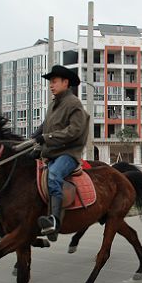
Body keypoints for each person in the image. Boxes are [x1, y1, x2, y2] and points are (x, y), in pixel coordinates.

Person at [32, 65, 89, 241]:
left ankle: (54, 221)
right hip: (50, 153)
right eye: (50, 82)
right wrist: (34, 138)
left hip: (68, 154)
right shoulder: (53, 105)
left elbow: (75, 131)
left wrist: (47, 137)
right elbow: (45, 126)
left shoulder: (74, 103)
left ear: (66, 82)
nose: (51, 85)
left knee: (54, 175)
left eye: (54, 81)